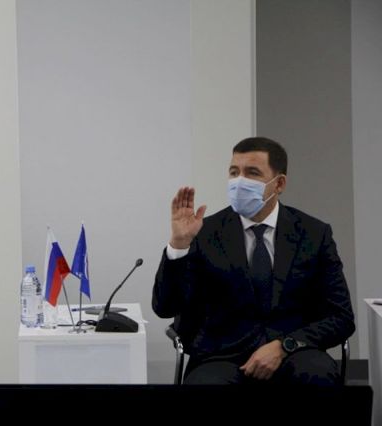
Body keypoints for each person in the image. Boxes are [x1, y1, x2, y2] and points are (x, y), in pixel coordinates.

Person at [152, 137, 354, 385]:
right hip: (221, 355)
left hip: (295, 351)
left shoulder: (313, 234)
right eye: (234, 172)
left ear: (279, 183)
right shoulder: (205, 232)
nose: (240, 181)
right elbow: (165, 307)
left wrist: (284, 346)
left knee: (317, 376)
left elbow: (341, 317)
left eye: (252, 173)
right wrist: (178, 245)